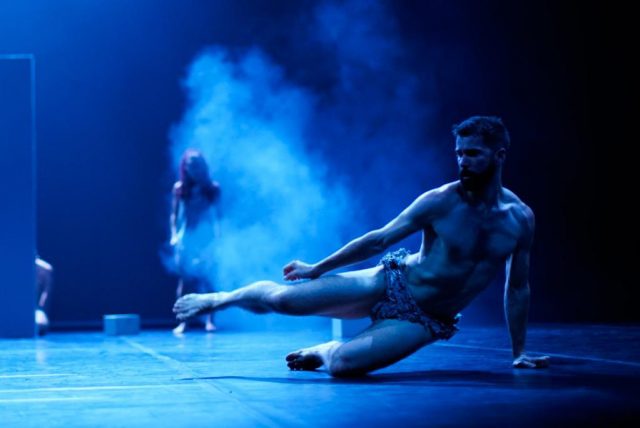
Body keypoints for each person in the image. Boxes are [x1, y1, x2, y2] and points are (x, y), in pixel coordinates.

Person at [173, 116, 550, 376]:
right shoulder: (440, 201)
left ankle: (322, 350)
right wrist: (318, 268)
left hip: (425, 319)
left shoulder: (519, 220)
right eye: (459, 153)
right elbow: (379, 239)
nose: (463, 161)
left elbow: (517, 287)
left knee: (342, 367)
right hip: (391, 283)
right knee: (285, 300)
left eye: (473, 154)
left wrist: (519, 352)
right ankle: (220, 299)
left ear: (499, 155)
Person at [170, 149, 221, 334]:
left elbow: (218, 216)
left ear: (202, 166)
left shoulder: (212, 188)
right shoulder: (179, 188)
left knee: (208, 279)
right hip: (186, 238)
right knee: (184, 281)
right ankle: (183, 321)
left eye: (196, 164)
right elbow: (174, 215)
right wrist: (174, 235)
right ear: (185, 167)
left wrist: (217, 240)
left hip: (206, 238)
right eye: (190, 165)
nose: (193, 168)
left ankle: (210, 321)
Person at [35, 256, 53, 336]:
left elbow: (46, 290)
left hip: (37, 309)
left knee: (41, 324)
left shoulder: (45, 269)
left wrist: (41, 307)